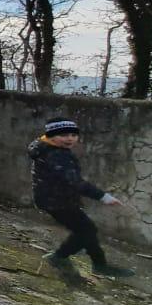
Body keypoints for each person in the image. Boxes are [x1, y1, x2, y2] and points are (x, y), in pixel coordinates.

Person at [30, 118, 133, 282]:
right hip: (57, 201)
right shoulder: (56, 155)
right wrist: (103, 197)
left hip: (55, 198)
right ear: (51, 136)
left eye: (73, 135)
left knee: (86, 230)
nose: (70, 138)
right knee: (87, 231)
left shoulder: (48, 148)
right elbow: (75, 182)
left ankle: (98, 264)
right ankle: (61, 256)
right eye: (63, 135)